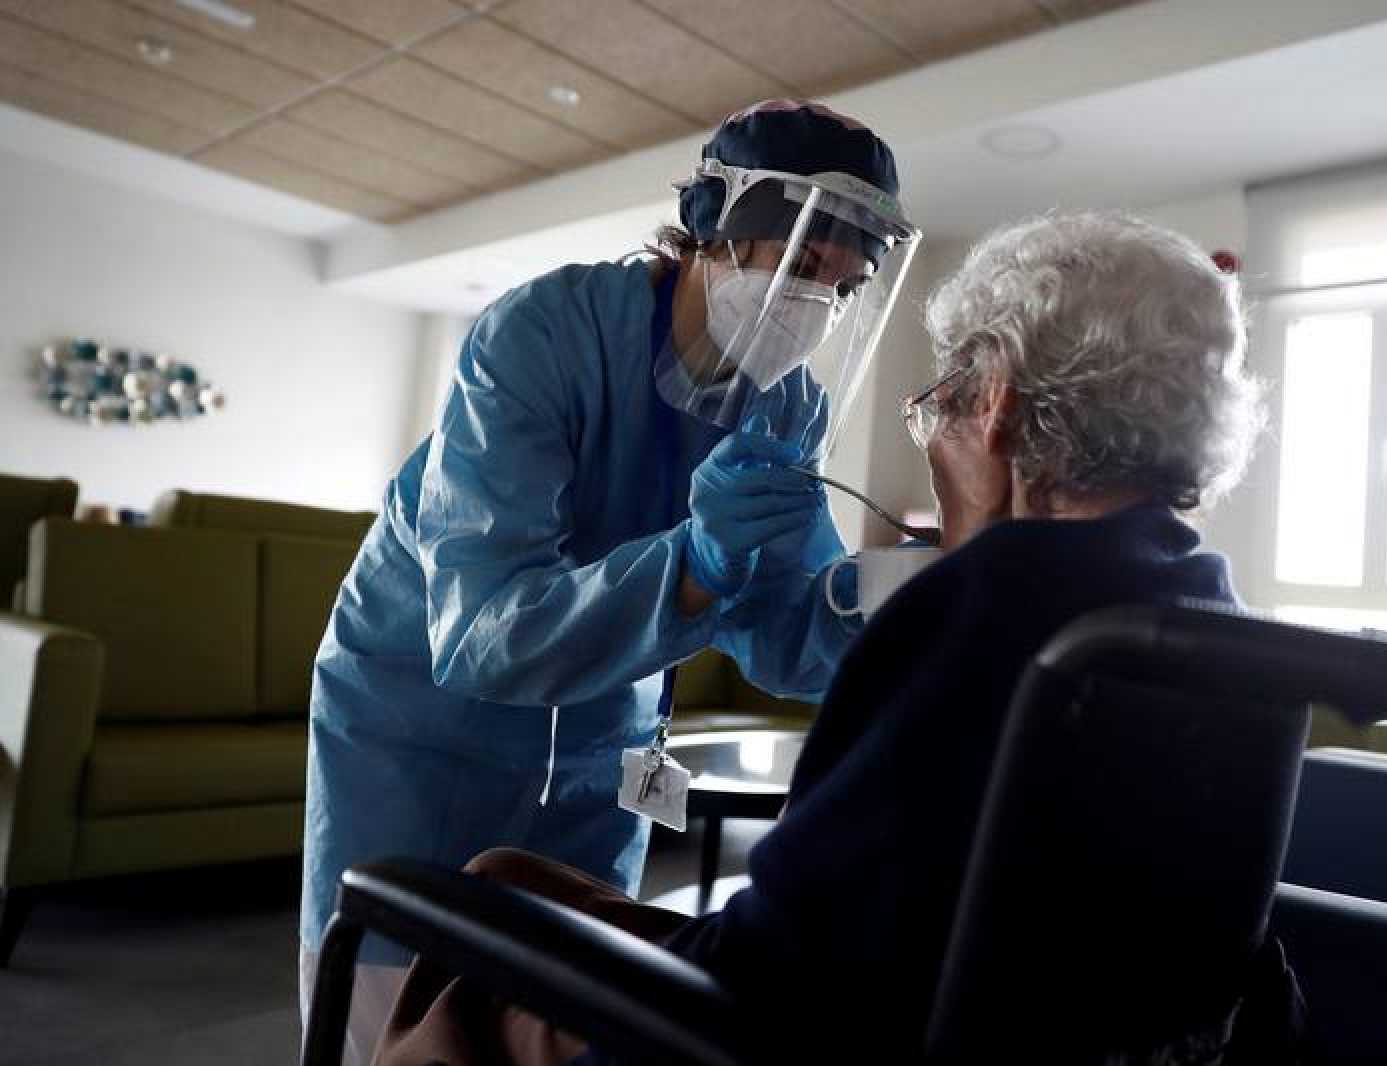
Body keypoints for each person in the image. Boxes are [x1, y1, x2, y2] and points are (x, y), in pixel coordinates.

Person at [372, 210, 1301, 1065]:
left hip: (772, 1033)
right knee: (510, 874)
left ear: (998, 404)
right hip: (1039, 1030)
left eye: (944, 397)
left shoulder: (980, 616)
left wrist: (974, 564)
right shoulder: (1223, 629)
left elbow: (773, 967)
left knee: (469, 928)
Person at [298, 98, 922, 1060]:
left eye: (841, 287)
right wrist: (696, 563)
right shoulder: (542, 335)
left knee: (578, 1010)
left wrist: (874, 601)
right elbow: (478, 637)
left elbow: (782, 642)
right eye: (801, 264)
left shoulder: (788, 403)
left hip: (605, 740)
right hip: (419, 733)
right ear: (714, 227)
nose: (815, 306)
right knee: (394, 1020)